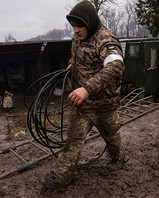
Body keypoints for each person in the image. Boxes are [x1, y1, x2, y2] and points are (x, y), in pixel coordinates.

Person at [42, 0, 127, 190]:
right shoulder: (78, 38)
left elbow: (116, 67)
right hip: (82, 105)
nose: (76, 30)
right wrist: (72, 66)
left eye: (79, 25)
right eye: (73, 26)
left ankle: (118, 157)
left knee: (111, 135)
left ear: (89, 22)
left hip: (105, 105)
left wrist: (86, 88)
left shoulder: (106, 40)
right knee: (73, 140)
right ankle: (61, 178)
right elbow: (77, 57)